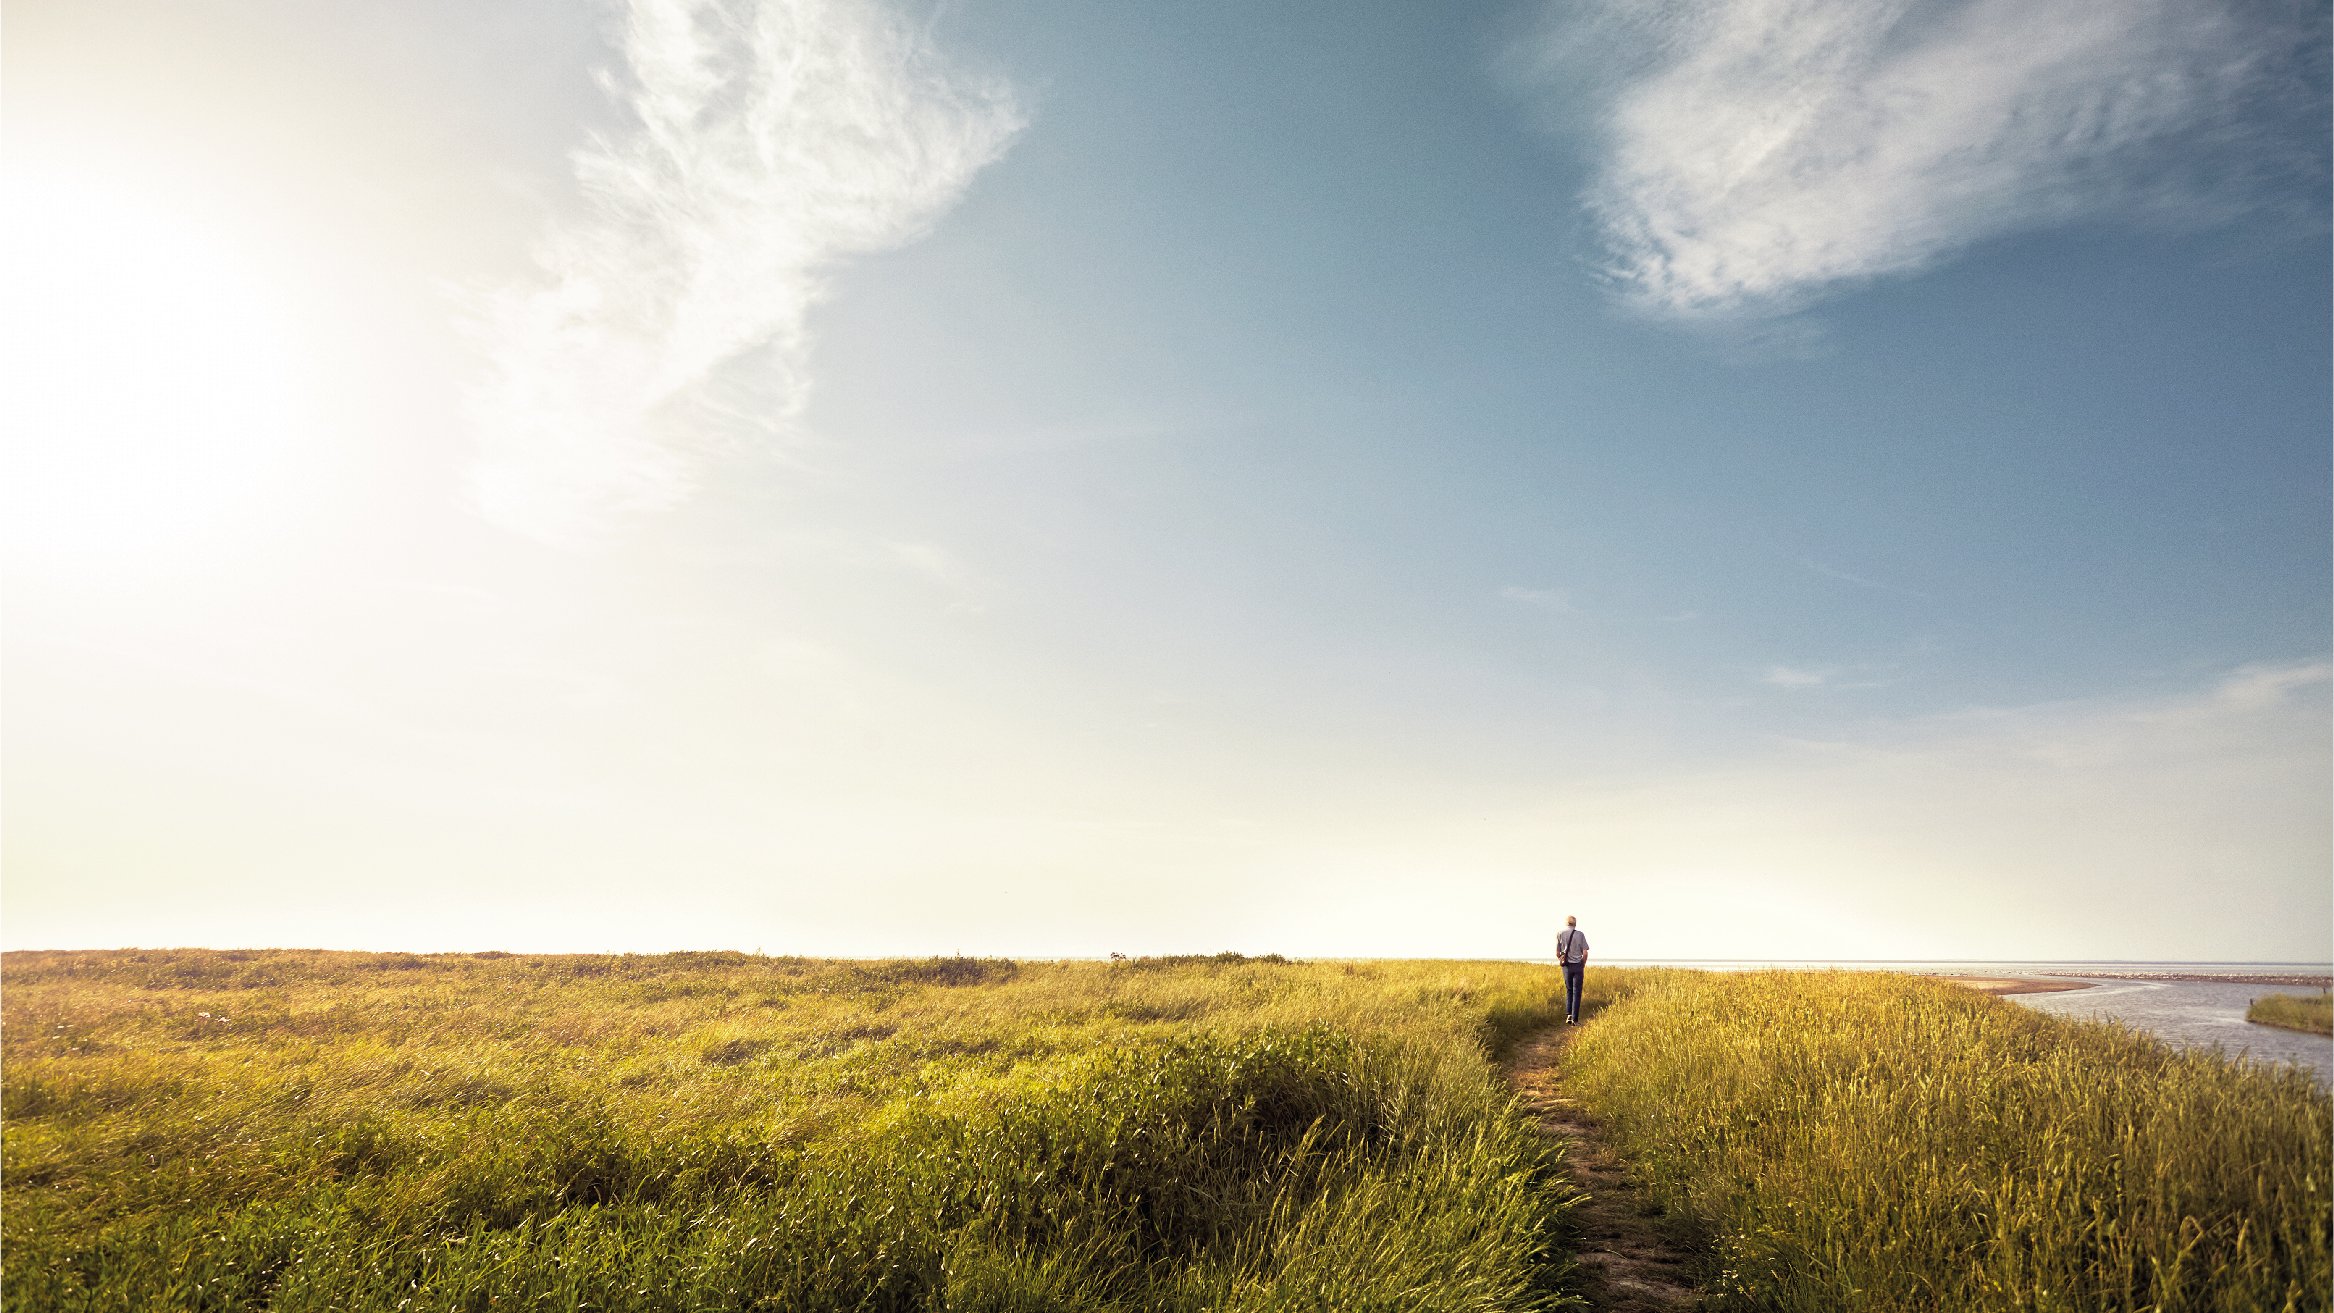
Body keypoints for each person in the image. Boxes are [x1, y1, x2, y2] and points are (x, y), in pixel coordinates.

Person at [1556, 916, 1589, 1024]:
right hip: (1577, 966)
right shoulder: (1580, 934)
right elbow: (1585, 952)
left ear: (1566, 923)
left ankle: (1569, 1015)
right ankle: (1575, 1019)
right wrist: (1582, 963)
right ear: (1575, 923)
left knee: (1569, 990)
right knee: (1577, 992)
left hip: (1566, 966)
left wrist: (1562, 959)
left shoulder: (1560, 933)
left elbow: (1557, 953)